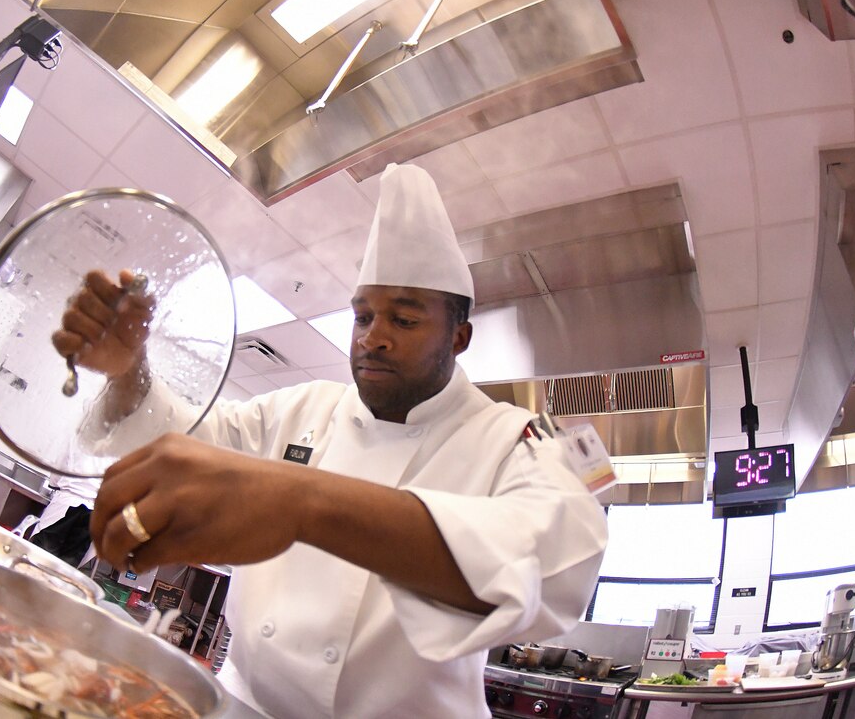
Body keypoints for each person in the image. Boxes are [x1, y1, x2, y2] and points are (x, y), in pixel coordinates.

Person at [52, 163, 609, 718]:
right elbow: (190, 440)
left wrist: (303, 502)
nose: (375, 337)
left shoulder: (513, 437)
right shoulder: (301, 407)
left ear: (459, 336)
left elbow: (557, 552)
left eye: (405, 320)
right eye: (363, 315)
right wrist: (129, 370)